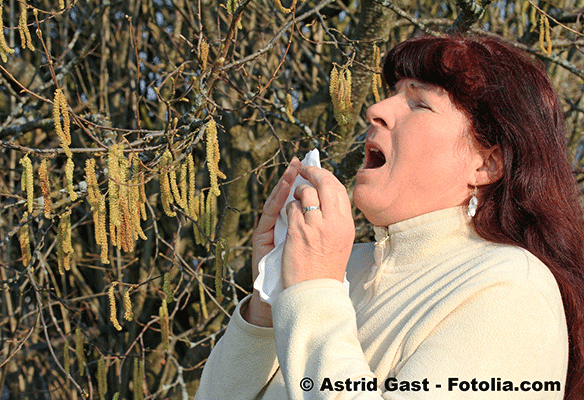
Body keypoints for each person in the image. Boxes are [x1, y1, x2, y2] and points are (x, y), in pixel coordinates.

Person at [195, 34, 584, 399]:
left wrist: (312, 291)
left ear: (487, 163)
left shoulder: (512, 292)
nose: (375, 110)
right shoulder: (343, 269)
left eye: (419, 103)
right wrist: (270, 301)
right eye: (392, 94)